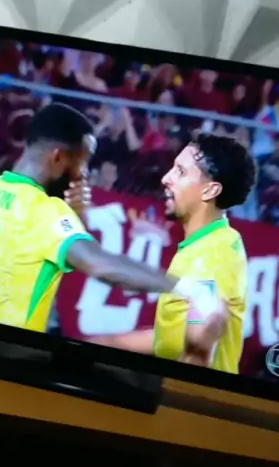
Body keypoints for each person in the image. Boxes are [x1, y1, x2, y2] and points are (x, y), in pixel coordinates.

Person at [0, 103, 221, 333]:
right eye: (83, 161)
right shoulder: (45, 211)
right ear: (57, 157)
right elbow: (100, 265)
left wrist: (74, 213)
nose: (84, 174)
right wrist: (186, 287)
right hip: (8, 355)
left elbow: (27, 251)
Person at [89, 134, 257, 373]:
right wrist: (104, 344)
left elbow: (200, 349)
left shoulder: (212, 256)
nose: (166, 178)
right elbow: (171, 336)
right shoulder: (208, 244)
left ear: (210, 190)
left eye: (180, 172)